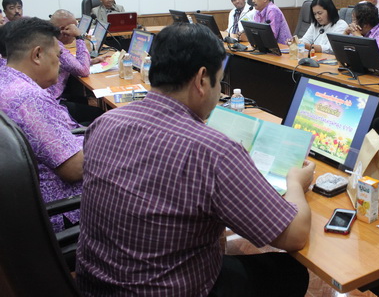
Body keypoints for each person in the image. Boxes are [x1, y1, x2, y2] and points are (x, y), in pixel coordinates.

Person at [76, 22, 314, 296]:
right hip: (167, 290)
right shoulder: (214, 151)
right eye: (219, 81)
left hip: (94, 286)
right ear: (202, 80)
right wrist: (295, 182)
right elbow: (294, 236)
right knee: (291, 273)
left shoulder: (104, 122)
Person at [0, 18, 83, 232]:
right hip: (63, 210)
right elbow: (74, 169)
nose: (60, 63)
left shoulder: (5, 80)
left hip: (24, 202)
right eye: (57, 56)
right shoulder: (29, 99)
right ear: (37, 55)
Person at [47, 9, 106, 124]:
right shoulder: (56, 47)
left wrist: (91, 61)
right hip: (54, 104)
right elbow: (83, 70)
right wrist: (79, 37)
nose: (76, 31)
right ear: (64, 30)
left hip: (55, 97)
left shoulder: (50, 41)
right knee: (100, 114)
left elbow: (72, 64)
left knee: (82, 100)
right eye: (75, 27)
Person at [344, 2, 379, 67]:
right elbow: (343, 52)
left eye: (354, 20)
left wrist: (359, 38)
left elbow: (374, 61)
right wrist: (346, 33)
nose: (352, 23)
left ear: (365, 24)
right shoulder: (359, 31)